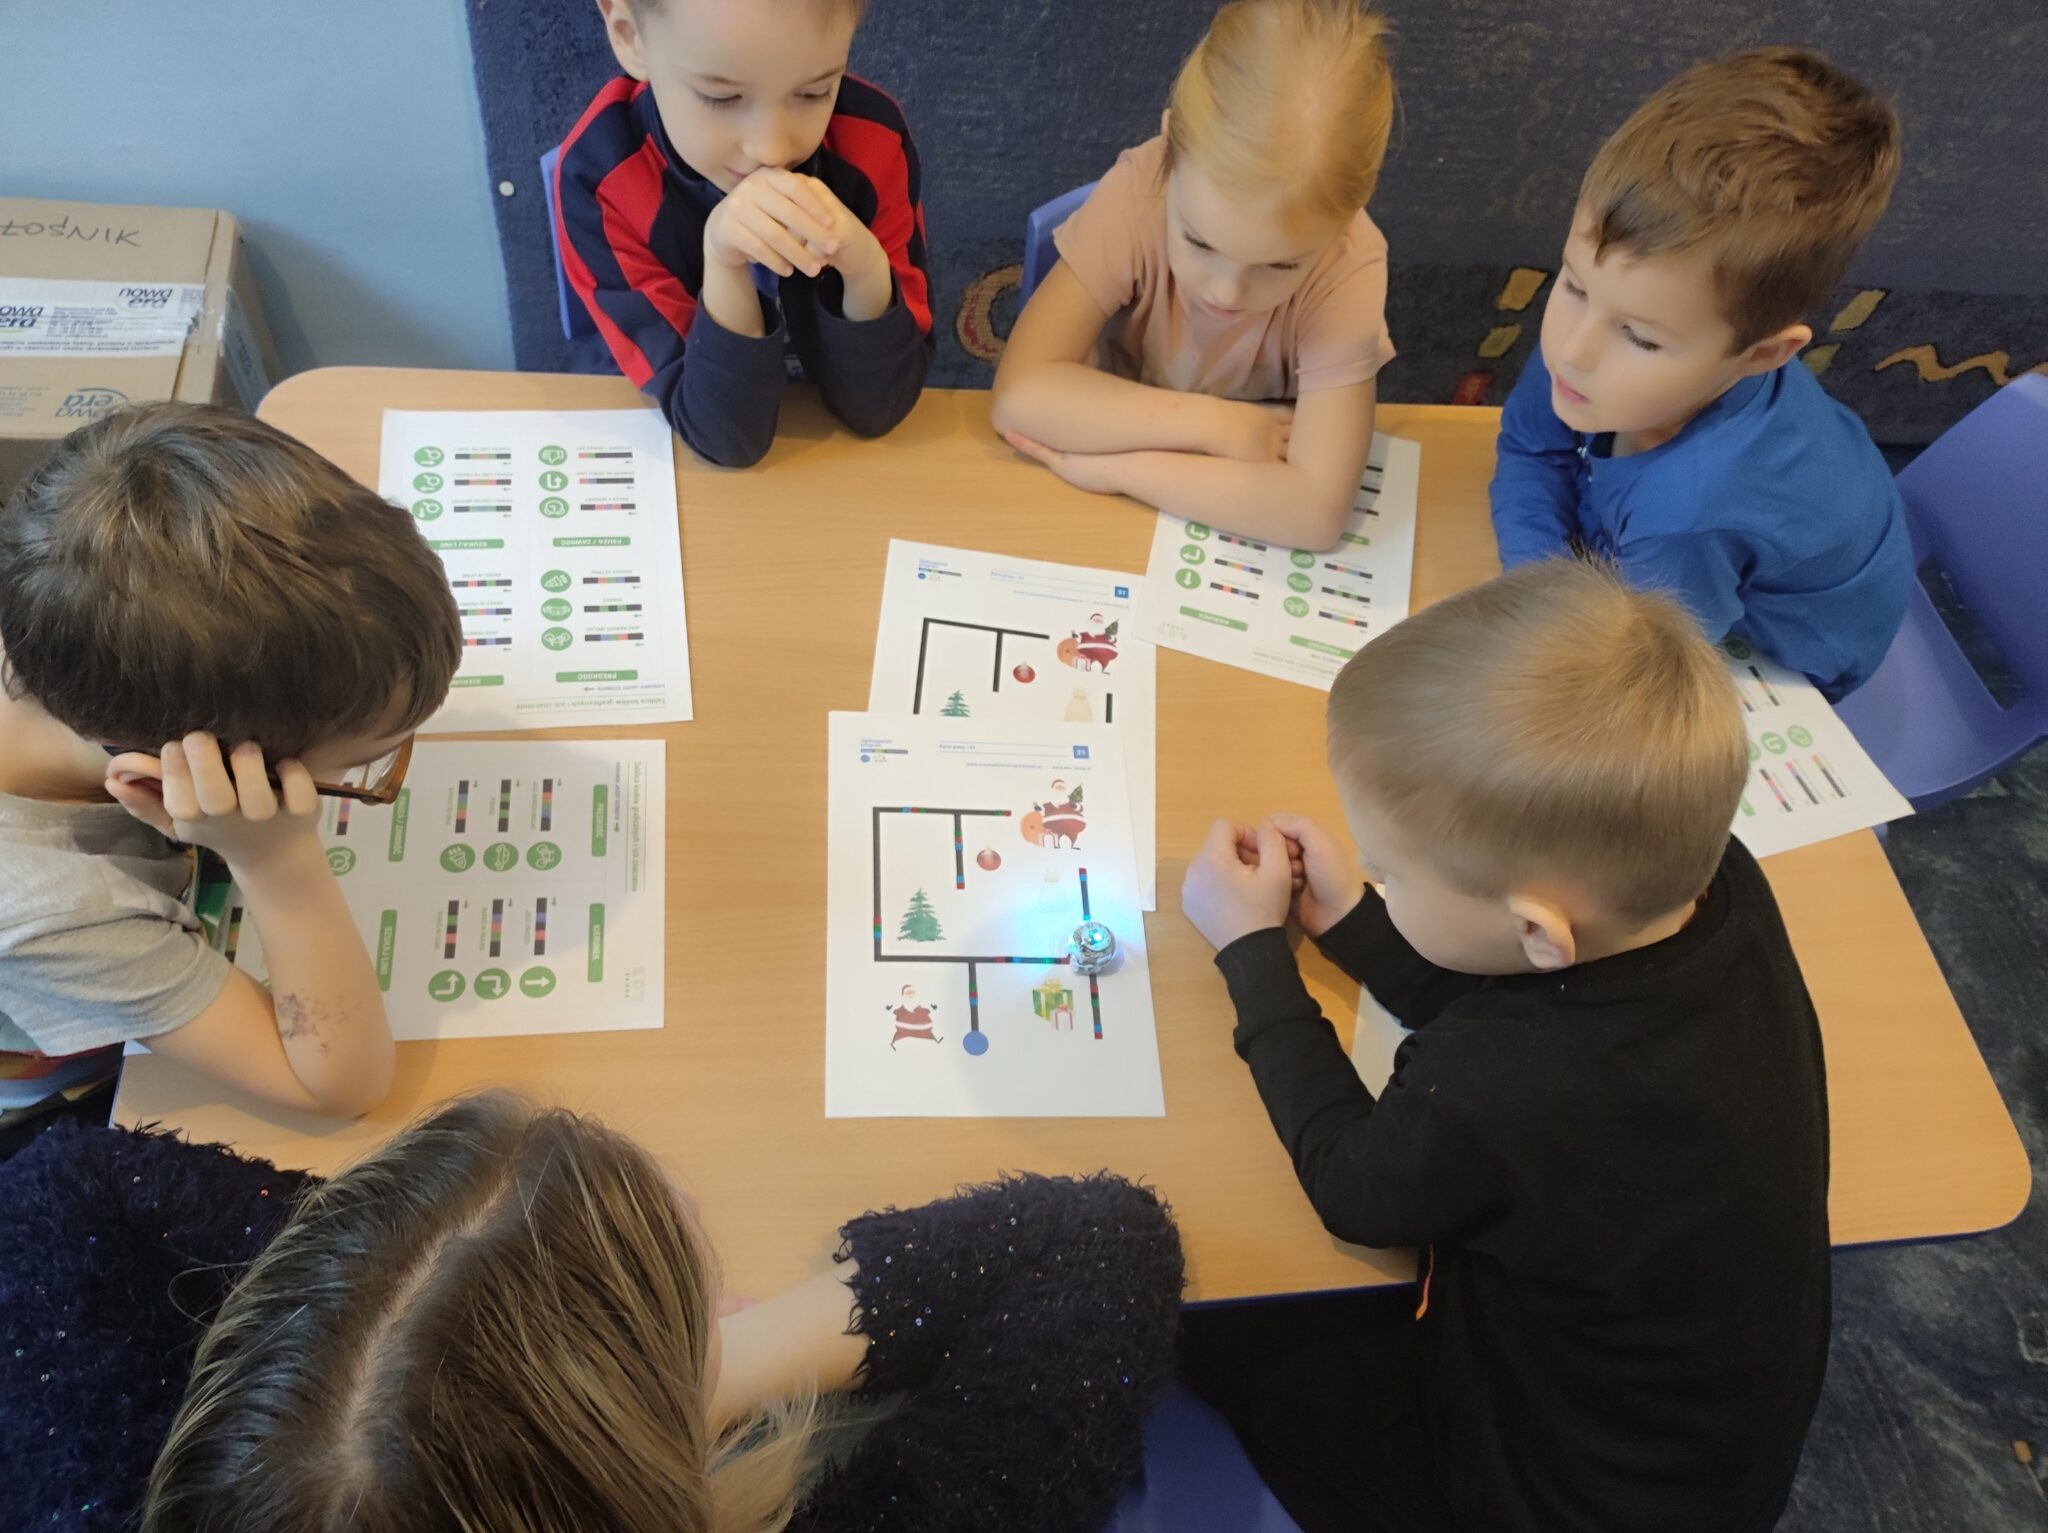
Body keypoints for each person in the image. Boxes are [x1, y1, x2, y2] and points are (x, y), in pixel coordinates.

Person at [1179, 559, 1831, 1532]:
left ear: (1533, 928)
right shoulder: (1711, 882)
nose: (1378, 879)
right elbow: (1537, 985)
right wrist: (1356, 923)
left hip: (1546, 1496)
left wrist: (1252, 960)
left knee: (1218, 1333)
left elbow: (1355, 1190)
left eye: (1391, 873)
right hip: (1702, 1455)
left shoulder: (1500, 1085)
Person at [0, 1092, 1185, 1532]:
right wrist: (731, 1366)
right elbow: (1099, 1242)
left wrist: (396, 1305)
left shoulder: (98, 1478)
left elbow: (63, 1180)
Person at [0, 403, 462, 1122]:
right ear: (160, 778)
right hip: (58, 1079)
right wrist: (278, 862)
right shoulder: (54, 909)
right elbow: (337, 1085)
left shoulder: (57, 591)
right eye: (358, 772)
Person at [1488, 48, 1912, 700]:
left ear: (1761, 355)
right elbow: (1529, 447)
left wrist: (1556, 606)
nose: (1571, 349)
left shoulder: (1686, 515)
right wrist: (1539, 582)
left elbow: (1635, 664)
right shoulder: (1593, 343)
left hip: (1790, 657)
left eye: (1639, 337)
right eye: (1571, 284)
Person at [992, 0, 1395, 550]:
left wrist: (1116, 471)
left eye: (1280, 264)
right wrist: (1214, 425)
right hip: (1164, 492)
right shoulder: (1139, 192)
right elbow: (1019, 397)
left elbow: (1316, 514)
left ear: (1347, 217)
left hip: (1126, 466)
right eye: (1200, 242)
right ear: (1169, 151)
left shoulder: (1348, 265)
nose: (1228, 291)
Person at [554, 0, 932, 469]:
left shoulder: (874, 141)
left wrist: (865, 269)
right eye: (721, 98)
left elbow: (881, 407)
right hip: (660, 456)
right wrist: (725, 265)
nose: (770, 150)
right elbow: (726, 437)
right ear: (631, 36)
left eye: (814, 92)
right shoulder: (603, 181)